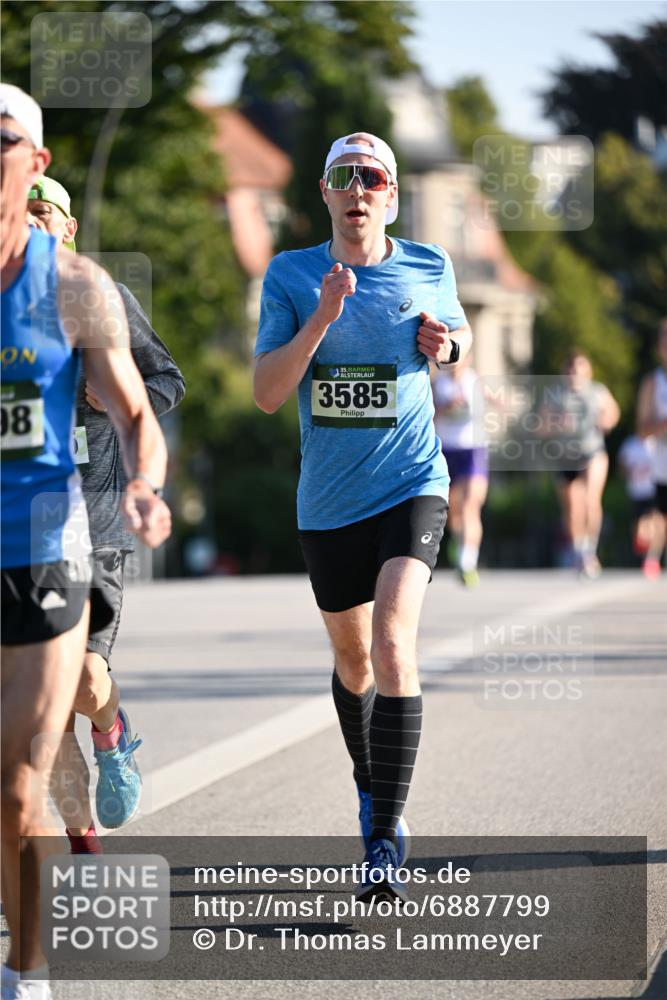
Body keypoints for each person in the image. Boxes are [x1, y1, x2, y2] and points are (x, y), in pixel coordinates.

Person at [253, 131, 472, 901]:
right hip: (328, 503)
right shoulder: (290, 274)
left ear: (389, 196)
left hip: (413, 482)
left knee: (390, 644)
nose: (357, 190)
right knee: (353, 667)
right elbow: (268, 392)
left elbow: (458, 336)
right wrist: (320, 318)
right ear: (325, 194)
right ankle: (367, 787)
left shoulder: (427, 265)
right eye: (342, 178)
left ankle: (383, 836)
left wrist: (445, 347)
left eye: (370, 178)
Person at [1, 84, 171, 1000]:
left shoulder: (76, 286)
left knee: (38, 742)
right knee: (8, 769)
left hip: (65, 533)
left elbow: (150, 399)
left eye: (1, 142)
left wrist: (143, 480)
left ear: (39, 168)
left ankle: (26, 976)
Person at [27, 175, 185, 847]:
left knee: (85, 679)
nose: (29, 224)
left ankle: (113, 733)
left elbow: (166, 381)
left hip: (95, 518)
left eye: (43, 214)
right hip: (20, 529)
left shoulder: (100, 296)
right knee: (42, 705)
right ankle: (82, 840)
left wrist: (108, 400)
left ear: (65, 228)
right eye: (17, 211)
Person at [541, 350, 620, 578]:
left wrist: (606, 420)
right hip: (566, 456)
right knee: (573, 508)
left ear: (588, 370)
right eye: (571, 368)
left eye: (580, 368)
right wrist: (557, 424)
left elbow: (613, 413)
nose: (575, 373)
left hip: (593, 452)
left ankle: (590, 551)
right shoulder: (555, 395)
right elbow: (542, 428)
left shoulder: (597, 392)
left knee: (591, 499)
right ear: (565, 372)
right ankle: (578, 550)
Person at [432, 354, 489, 588]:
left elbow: (497, 402)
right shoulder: (437, 383)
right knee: (453, 511)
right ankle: (460, 541)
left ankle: (468, 561)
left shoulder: (476, 381)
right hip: (446, 449)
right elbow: (429, 414)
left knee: (470, 504)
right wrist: (446, 407)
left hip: (472, 449)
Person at [636, 318, 667, 566]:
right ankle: (654, 557)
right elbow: (642, 430)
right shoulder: (652, 382)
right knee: (660, 514)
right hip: (662, 458)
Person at [617, 434, 664, 578]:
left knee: (656, 522)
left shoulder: (658, 444)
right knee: (639, 528)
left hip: (655, 490)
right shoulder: (630, 444)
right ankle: (644, 550)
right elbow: (621, 468)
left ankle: (652, 558)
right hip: (637, 492)